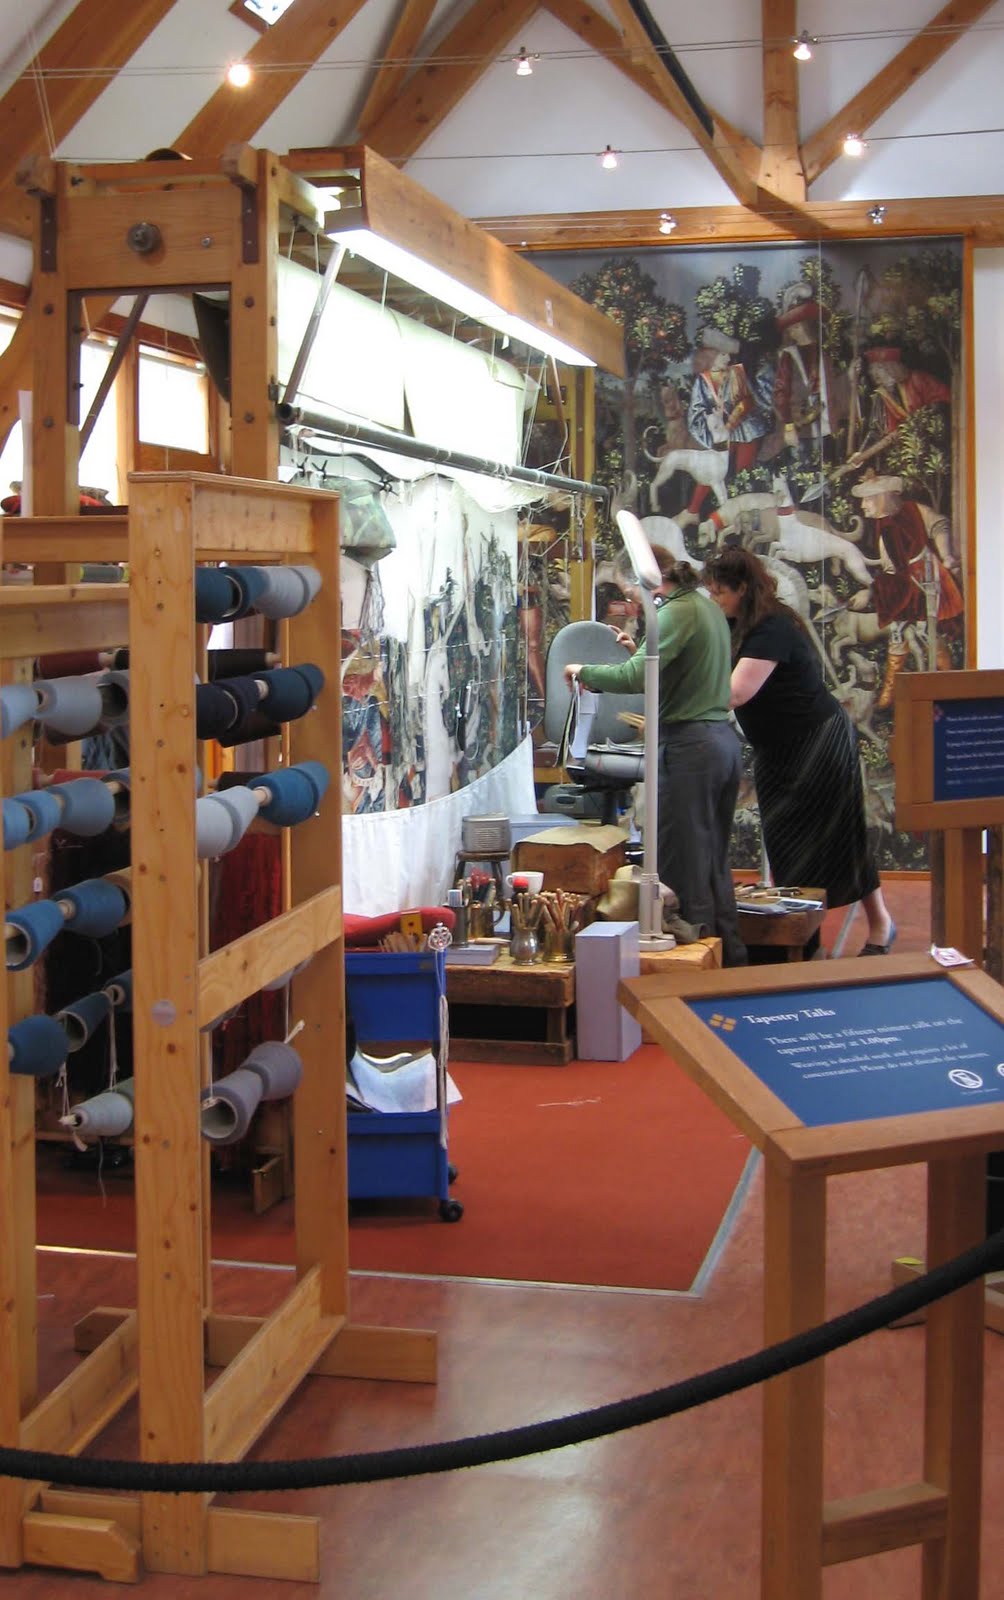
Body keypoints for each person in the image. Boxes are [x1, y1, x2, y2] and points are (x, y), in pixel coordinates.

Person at [702, 545, 896, 955]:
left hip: (816, 743)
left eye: (720, 592)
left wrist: (683, 697)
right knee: (787, 844)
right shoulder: (738, 625)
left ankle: (876, 925)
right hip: (779, 749)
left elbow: (736, 692)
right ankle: (805, 939)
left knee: (842, 836)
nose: (715, 600)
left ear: (742, 588)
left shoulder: (772, 627)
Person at [563, 546, 746, 966]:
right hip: (717, 743)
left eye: (631, 592)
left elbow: (633, 679)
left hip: (691, 749)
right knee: (712, 861)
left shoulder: (676, 612)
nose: (634, 602)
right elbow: (674, 673)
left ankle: (691, 976)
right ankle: (729, 961)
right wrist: (637, 649)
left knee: (683, 867)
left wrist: (582, 671)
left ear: (643, 581)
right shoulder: (705, 608)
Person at [847, 472, 964, 704]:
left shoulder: (913, 510)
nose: (863, 505)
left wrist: (947, 555)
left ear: (882, 498)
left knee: (926, 630)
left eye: (867, 499)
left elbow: (939, 525)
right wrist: (873, 590)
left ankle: (948, 678)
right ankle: (891, 687)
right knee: (897, 631)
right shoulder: (881, 525)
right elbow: (890, 567)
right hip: (902, 583)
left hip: (925, 578)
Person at [683, 327, 769, 521]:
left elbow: (748, 400)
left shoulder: (737, 372)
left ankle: (741, 515)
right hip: (720, 434)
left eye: (729, 355)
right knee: (711, 470)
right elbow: (697, 409)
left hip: (745, 431)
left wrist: (730, 422)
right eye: (723, 355)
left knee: (743, 473)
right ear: (710, 356)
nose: (728, 359)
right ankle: (693, 511)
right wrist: (711, 424)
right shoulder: (703, 381)